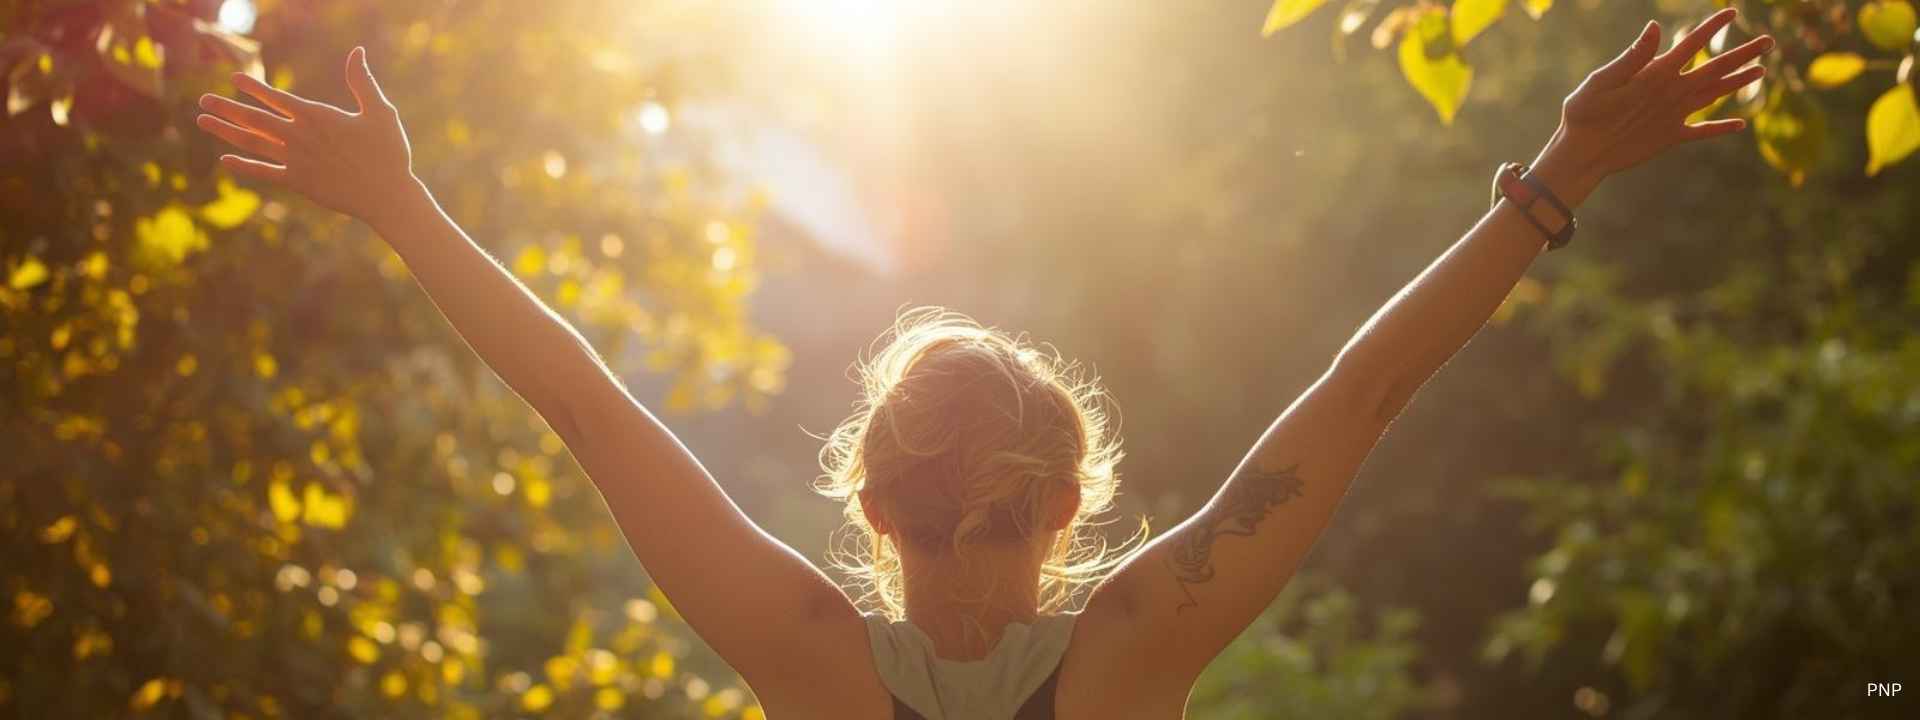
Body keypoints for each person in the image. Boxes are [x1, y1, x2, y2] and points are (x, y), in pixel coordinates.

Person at [195, 9, 1772, 718]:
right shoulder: (811, 652)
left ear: (1061, 515)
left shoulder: (1133, 644)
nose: (964, 570)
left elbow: (1356, 396)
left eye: (998, 525)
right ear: (877, 517)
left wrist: (1547, 183)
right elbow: (589, 411)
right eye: (937, 525)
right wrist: (398, 205)